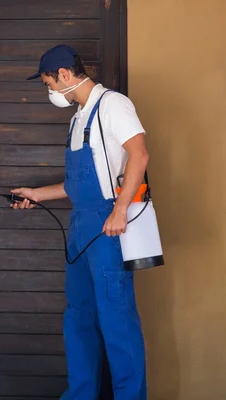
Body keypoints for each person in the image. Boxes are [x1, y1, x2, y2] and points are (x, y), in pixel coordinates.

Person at [11, 44, 149, 400]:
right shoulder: (78, 118)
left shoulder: (113, 105)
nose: (51, 91)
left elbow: (139, 153)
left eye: (49, 84)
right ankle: (81, 395)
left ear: (65, 75)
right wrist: (38, 194)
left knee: (117, 321)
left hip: (108, 226)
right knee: (79, 318)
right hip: (80, 228)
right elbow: (77, 184)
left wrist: (119, 211)